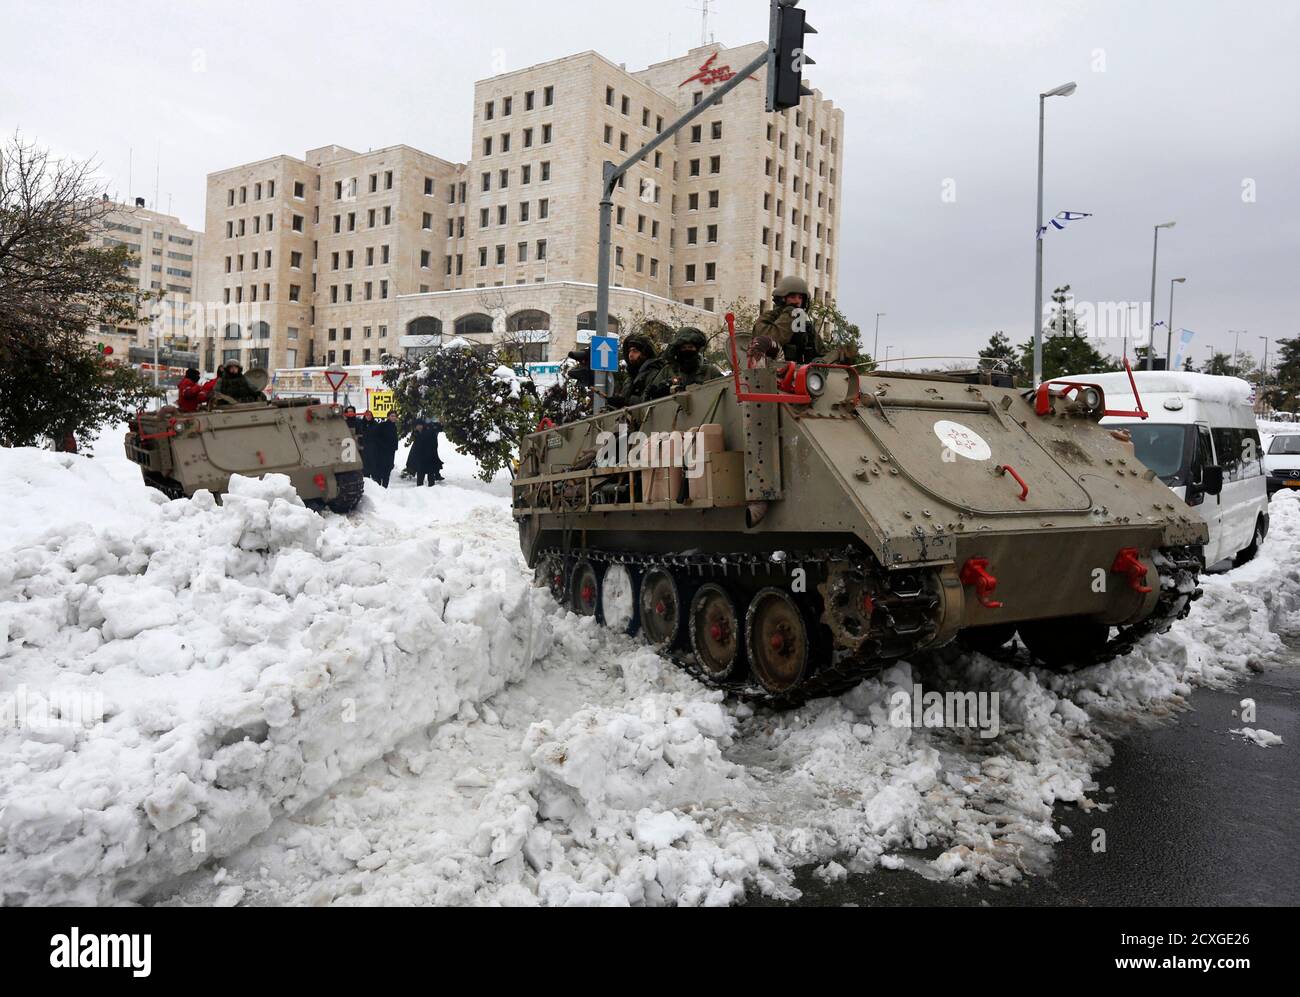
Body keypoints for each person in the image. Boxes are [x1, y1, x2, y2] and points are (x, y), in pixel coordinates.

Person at [750, 275, 822, 365]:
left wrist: (837, 354)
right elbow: (769, 340)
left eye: (800, 297)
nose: (797, 301)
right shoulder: (768, 318)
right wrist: (790, 314)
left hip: (805, 375)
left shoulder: (805, 326)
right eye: (793, 297)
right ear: (782, 299)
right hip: (772, 373)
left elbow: (822, 355)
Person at [646, 327, 723, 399]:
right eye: (684, 348)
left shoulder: (709, 371)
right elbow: (649, 396)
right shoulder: (668, 371)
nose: (687, 351)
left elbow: (725, 389)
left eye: (690, 347)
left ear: (696, 349)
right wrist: (662, 390)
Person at [607, 333, 664, 409]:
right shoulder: (630, 378)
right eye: (629, 351)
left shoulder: (654, 373)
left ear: (645, 353)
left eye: (635, 351)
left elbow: (649, 402)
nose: (630, 355)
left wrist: (626, 401)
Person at [406, 419, 442, 486]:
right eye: (417, 425)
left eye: (420, 425)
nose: (419, 427)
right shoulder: (416, 433)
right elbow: (416, 446)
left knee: (430, 474)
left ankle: (433, 490)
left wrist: (431, 453)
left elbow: (434, 443)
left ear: (423, 425)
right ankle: (420, 490)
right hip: (420, 458)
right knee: (420, 475)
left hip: (429, 456)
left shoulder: (428, 432)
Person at [369, 411, 399, 487]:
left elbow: (394, 438)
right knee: (381, 469)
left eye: (394, 416)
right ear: (388, 417)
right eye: (392, 416)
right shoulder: (382, 425)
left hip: (390, 452)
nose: (393, 418)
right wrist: (383, 445)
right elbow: (375, 436)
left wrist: (395, 447)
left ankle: (385, 487)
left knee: (388, 469)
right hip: (382, 452)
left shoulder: (394, 426)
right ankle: (379, 487)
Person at [359, 409, 378, 480]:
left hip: (373, 448)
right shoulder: (361, 424)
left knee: (373, 466)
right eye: (367, 415)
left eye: (370, 415)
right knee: (365, 467)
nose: (368, 417)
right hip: (363, 448)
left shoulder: (375, 424)